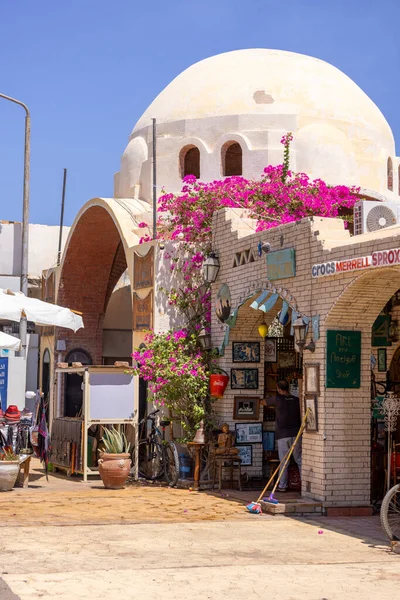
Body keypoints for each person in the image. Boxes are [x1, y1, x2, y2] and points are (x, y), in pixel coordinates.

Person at [261, 379, 302, 492]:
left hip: (283, 435)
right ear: (288, 388)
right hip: (296, 434)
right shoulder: (296, 400)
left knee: (284, 462)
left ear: (278, 389)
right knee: (299, 460)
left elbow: (263, 402)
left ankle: (282, 486)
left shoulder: (277, 399)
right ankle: (305, 486)